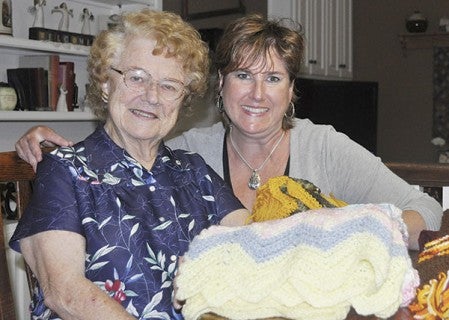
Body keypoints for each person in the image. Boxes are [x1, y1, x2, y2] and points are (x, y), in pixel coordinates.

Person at [15, 14, 442, 251]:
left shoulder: (324, 146)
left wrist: (359, 232)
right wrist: (37, 137)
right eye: (242, 74)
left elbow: (424, 207)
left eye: (273, 78)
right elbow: (125, 147)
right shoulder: (186, 154)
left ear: (292, 90)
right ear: (220, 85)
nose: (257, 94)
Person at [9, 9, 249, 320]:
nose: (151, 96)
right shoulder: (65, 171)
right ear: (106, 83)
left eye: (169, 86)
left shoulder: (194, 172)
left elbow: (255, 247)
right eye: (136, 77)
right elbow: (65, 292)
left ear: (182, 99)